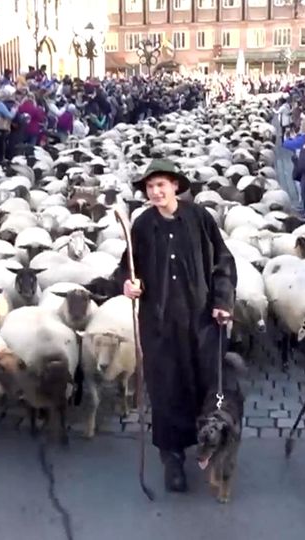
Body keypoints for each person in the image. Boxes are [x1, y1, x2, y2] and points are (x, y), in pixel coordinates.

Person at [108, 159, 236, 493]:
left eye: (161, 185)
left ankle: (208, 446)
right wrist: (128, 283)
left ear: (175, 186)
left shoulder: (199, 219)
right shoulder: (142, 225)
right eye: (150, 187)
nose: (156, 192)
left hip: (202, 321)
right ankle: (172, 458)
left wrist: (223, 301)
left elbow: (223, 261)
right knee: (166, 390)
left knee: (206, 385)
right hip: (159, 323)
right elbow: (127, 266)